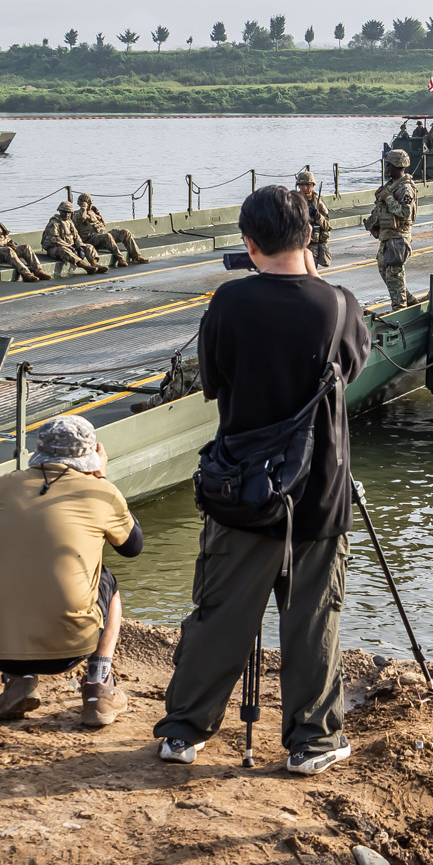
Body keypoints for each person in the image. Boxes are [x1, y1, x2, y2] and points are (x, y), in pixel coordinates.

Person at [154, 186, 369, 774]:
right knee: (313, 621)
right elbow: (351, 368)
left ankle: (184, 731)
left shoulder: (228, 303)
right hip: (318, 494)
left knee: (219, 614)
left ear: (249, 243)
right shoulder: (340, 305)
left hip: (241, 490)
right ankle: (311, 741)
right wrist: (319, 282)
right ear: (310, 235)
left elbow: (215, 381)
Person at [0, 416, 141, 727]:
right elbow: (132, 547)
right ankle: (98, 688)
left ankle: (18, 681)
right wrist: (101, 478)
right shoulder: (100, 490)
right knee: (106, 580)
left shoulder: (3, 485)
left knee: (17, 564)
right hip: (68, 650)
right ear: (92, 453)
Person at [366, 151, 419, 309]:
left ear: (397, 165)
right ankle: (410, 301)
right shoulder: (391, 185)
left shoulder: (405, 188)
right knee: (385, 271)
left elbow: (406, 212)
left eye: (388, 165)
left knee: (395, 275)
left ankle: (400, 308)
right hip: (388, 236)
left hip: (398, 238)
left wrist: (388, 198)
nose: (386, 168)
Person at [0, 202, 50, 281]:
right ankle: (25, 274)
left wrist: (10, 243)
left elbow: (4, 237)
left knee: (25, 248)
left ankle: (38, 270)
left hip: (1, 250)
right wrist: (2, 245)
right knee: (7, 250)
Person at [74, 193, 148, 267]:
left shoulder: (93, 212)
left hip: (101, 236)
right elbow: (81, 218)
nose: (90, 205)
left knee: (125, 232)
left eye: (91, 203)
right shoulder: (77, 214)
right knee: (108, 236)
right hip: (91, 239)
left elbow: (103, 224)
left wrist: (98, 214)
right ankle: (120, 259)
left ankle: (136, 256)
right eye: (88, 203)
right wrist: (83, 208)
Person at [42, 202, 107, 275]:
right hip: (55, 248)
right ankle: (85, 266)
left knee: (89, 246)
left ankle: (94, 263)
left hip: (70, 246)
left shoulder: (69, 221)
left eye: (69, 213)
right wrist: (69, 246)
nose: (67, 214)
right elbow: (54, 239)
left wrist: (79, 245)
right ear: (60, 211)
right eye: (64, 212)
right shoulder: (54, 222)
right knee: (64, 250)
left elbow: (76, 235)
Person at [294, 170, 332, 268]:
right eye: (302, 185)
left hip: (312, 244)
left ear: (313, 186)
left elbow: (328, 225)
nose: (304, 188)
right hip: (296, 243)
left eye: (308, 185)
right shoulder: (293, 201)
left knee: (310, 269)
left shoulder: (318, 203)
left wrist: (319, 218)